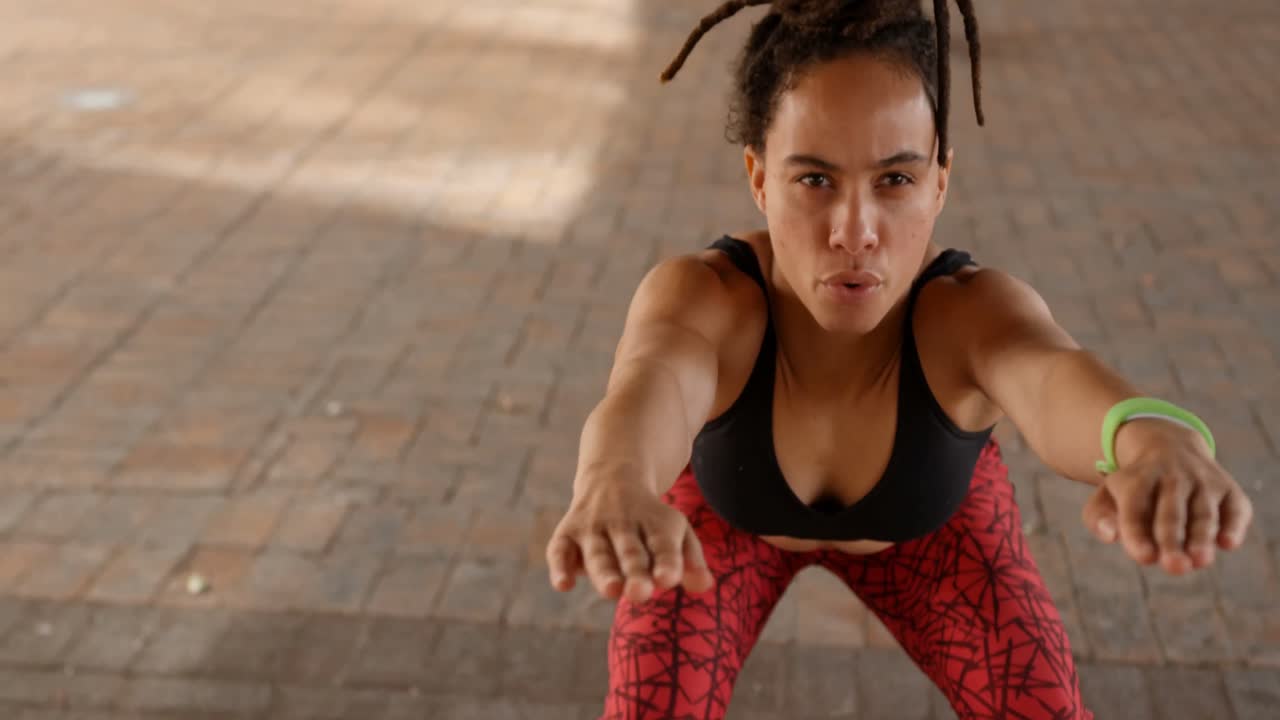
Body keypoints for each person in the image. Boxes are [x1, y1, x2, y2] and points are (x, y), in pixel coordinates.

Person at [544, 1, 1256, 718]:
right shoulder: (711, 299)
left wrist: (1152, 440)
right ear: (759, 178)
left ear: (940, 181)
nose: (856, 233)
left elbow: (1049, 373)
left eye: (895, 180)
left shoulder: (967, 314)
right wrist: (614, 479)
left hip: (929, 536)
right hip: (720, 531)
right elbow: (652, 378)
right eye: (814, 180)